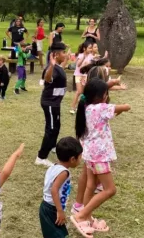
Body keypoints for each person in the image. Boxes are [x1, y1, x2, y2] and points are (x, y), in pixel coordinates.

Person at [69, 79, 131, 237]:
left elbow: (110, 114)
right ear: (101, 96)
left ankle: (86, 216)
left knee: (91, 185)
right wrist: (123, 107)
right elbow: (125, 107)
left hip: (90, 154)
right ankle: (81, 216)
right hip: (99, 157)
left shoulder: (87, 107)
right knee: (110, 190)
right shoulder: (102, 108)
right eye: (106, 94)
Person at [39, 137, 83, 238]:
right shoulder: (63, 172)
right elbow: (54, 190)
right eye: (80, 157)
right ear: (72, 159)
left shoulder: (53, 167)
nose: (81, 159)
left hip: (47, 207)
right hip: (51, 209)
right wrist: (59, 211)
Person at [35, 43, 68, 167]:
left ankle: (52, 145)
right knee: (51, 128)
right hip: (50, 103)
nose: (65, 54)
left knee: (57, 126)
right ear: (56, 55)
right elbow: (48, 79)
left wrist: (64, 60)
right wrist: (52, 66)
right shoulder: (51, 68)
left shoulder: (58, 67)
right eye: (63, 53)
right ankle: (41, 157)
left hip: (55, 103)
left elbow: (60, 73)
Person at [70, 42, 95, 114]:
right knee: (79, 91)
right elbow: (78, 65)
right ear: (84, 49)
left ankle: (81, 107)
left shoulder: (91, 56)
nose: (91, 49)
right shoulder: (80, 55)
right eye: (89, 48)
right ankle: (73, 107)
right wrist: (83, 58)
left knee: (84, 92)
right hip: (78, 75)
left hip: (85, 76)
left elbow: (91, 66)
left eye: (91, 48)